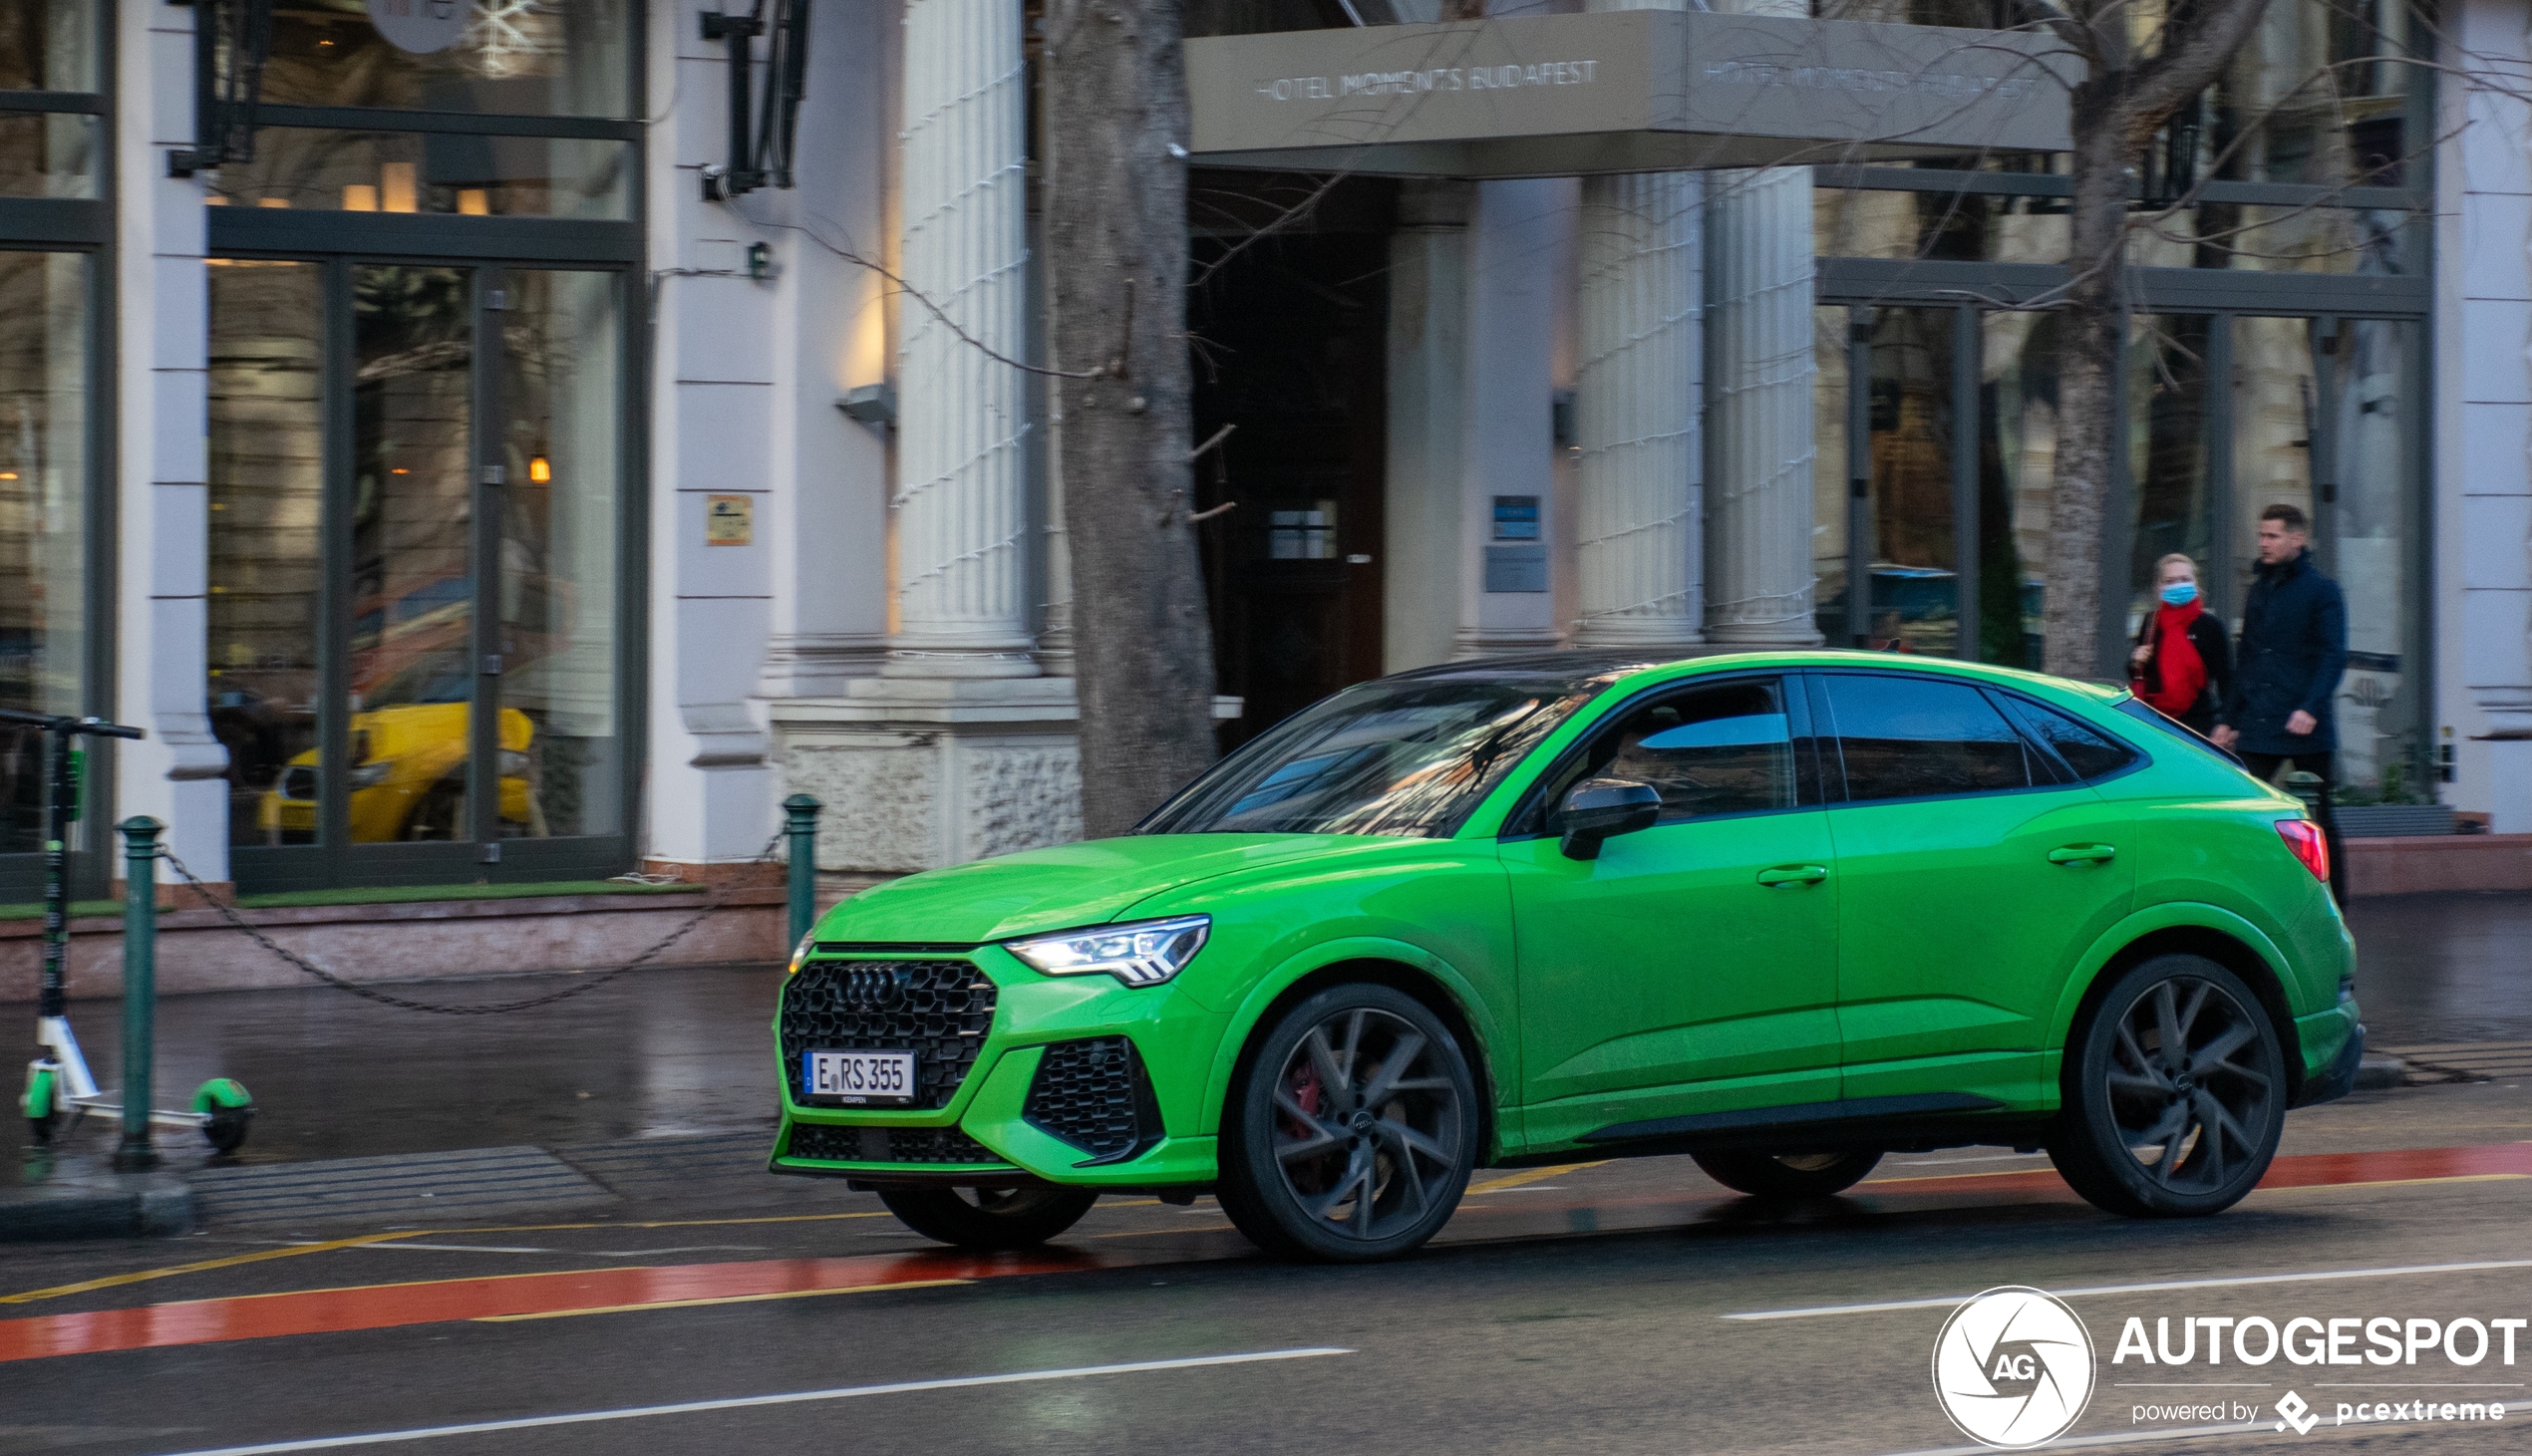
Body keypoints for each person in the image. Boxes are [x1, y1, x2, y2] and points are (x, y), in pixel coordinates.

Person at [2216, 503, 2348, 903]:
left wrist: (2310, 706)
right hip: (2260, 719)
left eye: (2272, 536)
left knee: (2319, 818)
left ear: (2297, 538)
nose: (2264, 543)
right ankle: (2252, 897)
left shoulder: (2323, 591)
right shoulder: (2259, 590)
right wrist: (2229, 718)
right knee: (2248, 809)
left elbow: (2333, 655)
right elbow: (2248, 657)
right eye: (2262, 535)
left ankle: (2336, 904)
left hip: (2306, 724)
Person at [2128, 552, 2232, 737]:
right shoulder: (2151, 622)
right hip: (2156, 721)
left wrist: (2226, 724)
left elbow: (2227, 679)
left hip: (2200, 723)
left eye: (2185, 579)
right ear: (2160, 586)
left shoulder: (2210, 625)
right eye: (2170, 581)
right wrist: (2135, 661)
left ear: (2196, 583)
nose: (2178, 585)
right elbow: (2142, 673)